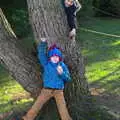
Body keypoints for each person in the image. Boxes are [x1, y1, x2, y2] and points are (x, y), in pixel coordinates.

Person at [22, 38, 72, 120]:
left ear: (59, 57)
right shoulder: (46, 64)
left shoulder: (62, 66)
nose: (55, 58)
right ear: (50, 57)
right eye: (53, 56)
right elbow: (41, 54)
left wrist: (62, 73)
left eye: (57, 56)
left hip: (58, 91)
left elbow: (68, 78)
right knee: (37, 105)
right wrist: (43, 43)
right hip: (46, 90)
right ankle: (28, 118)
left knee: (63, 109)